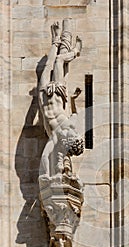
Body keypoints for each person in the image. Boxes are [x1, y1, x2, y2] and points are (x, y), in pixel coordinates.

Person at [38, 19, 82, 176]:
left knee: (47, 67)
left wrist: (44, 176)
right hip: (57, 92)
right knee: (59, 60)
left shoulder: (56, 139)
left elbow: (45, 155)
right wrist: (73, 98)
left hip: (43, 96)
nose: (75, 135)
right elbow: (75, 113)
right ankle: (75, 51)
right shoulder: (70, 125)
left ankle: (56, 40)